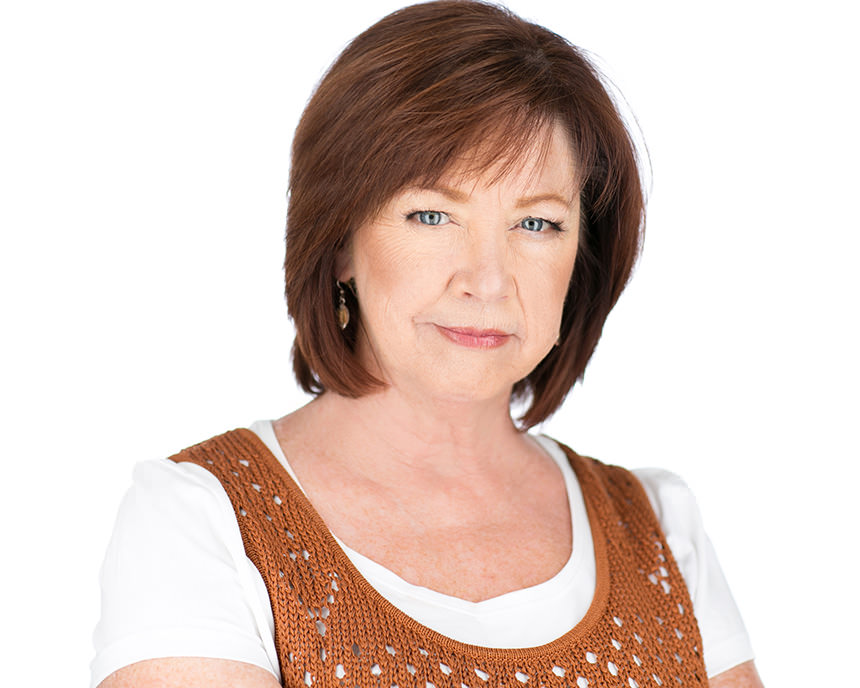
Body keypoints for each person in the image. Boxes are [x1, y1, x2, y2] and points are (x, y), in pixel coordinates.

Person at [92, 2, 763, 686]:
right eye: (432, 215)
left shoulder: (659, 529)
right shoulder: (202, 520)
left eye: (537, 224)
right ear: (341, 242)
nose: (488, 280)